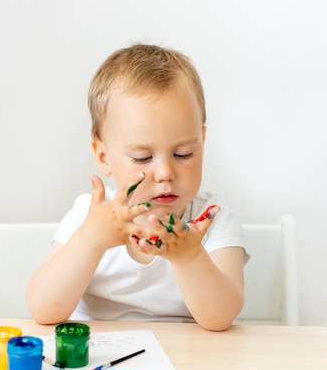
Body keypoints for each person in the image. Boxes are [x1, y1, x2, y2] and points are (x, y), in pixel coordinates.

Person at [26, 44, 246, 331]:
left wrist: (189, 256)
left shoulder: (212, 219)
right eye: (143, 158)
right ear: (104, 157)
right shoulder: (89, 217)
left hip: (188, 361)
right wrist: (90, 242)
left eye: (183, 154)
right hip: (100, 360)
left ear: (201, 143)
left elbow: (220, 318)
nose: (166, 173)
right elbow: (43, 310)